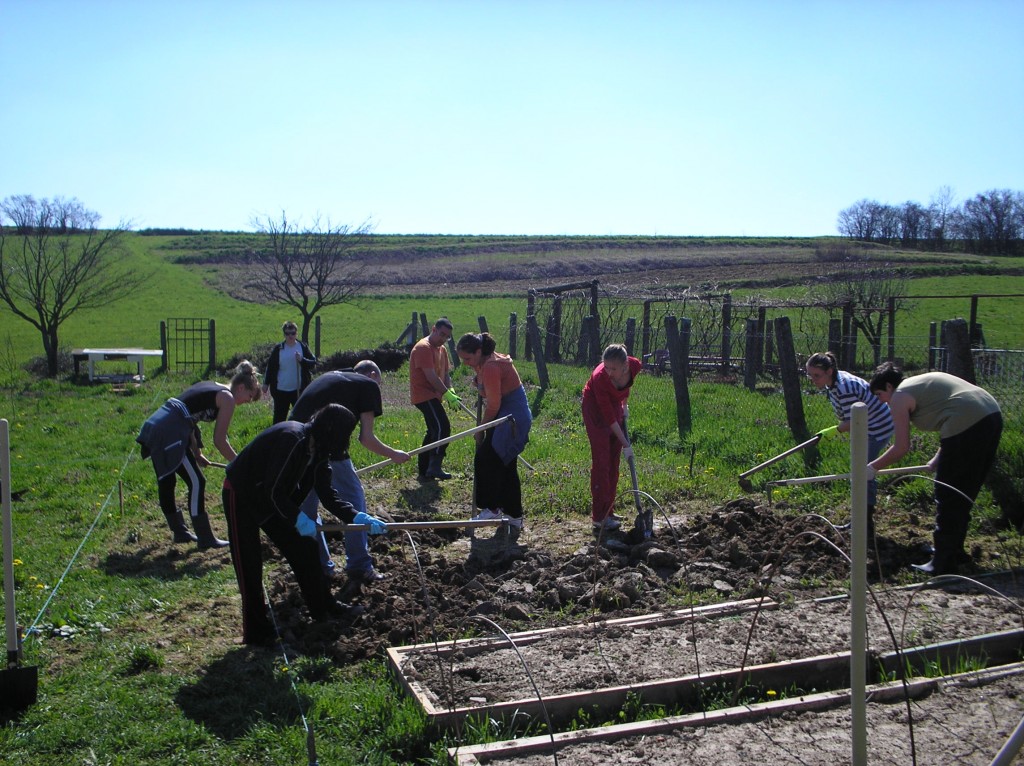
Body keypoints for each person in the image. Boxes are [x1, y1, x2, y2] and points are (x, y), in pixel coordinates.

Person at [222, 403, 388, 645]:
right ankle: (257, 632)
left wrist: (357, 517)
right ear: (332, 430)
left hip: (271, 498)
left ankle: (324, 608)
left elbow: (327, 493)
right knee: (249, 563)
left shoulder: (319, 450)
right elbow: (274, 490)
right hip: (242, 494)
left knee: (307, 548)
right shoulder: (293, 440)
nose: (347, 440)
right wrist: (298, 518)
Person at [868, 363, 1003, 575]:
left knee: (947, 493)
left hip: (969, 420)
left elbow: (902, 447)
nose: (881, 400)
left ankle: (942, 563)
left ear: (888, 386)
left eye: (879, 394)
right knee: (962, 490)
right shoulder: (920, 384)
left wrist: (872, 467)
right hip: (991, 415)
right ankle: (953, 551)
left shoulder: (899, 397)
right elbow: (952, 413)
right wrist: (938, 457)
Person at [291, 360, 410, 584]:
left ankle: (319, 567)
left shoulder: (335, 376)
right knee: (354, 501)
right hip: (325, 443)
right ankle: (358, 565)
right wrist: (393, 453)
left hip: (295, 443)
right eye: (380, 384)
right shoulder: (368, 384)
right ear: (372, 375)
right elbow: (366, 438)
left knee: (307, 508)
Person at [137, 361, 261, 549]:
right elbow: (220, 441)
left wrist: (197, 452)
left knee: (167, 481)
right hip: (171, 432)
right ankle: (205, 538)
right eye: (249, 396)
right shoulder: (227, 399)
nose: (246, 402)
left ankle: (180, 533)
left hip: (158, 425)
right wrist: (239, 464)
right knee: (196, 482)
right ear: (241, 387)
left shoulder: (215, 386)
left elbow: (189, 417)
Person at [805, 351, 894, 536]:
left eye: (816, 375)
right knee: (859, 472)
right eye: (810, 375)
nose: (813, 380)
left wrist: (833, 431)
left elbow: (855, 420)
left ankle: (864, 524)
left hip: (876, 428)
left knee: (863, 474)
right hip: (866, 428)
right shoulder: (835, 383)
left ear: (829, 371)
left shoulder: (844, 388)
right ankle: (859, 520)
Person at [455, 332, 532, 529]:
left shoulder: (491, 366)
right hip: (504, 416)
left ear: (479, 351)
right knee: (505, 466)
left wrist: (480, 428)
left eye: (468, 358)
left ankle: (492, 508)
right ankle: (514, 515)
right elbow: (487, 392)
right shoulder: (484, 363)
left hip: (512, 418)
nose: (465, 363)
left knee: (486, 459)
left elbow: (493, 405)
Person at [582, 344, 643, 532]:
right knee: (602, 463)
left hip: (614, 404)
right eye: (605, 366)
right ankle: (599, 517)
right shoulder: (601, 379)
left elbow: (627, 386)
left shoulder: (635, 366)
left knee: (614, 461)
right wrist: (627, 444)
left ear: (625, 366)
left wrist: (624, 405)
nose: (608, 372)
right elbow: (608, 417)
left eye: (613, 368)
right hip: (594, 409)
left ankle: (609, 510)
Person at [409, 317, 458, 481]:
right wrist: (446, 394)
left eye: (447, 337)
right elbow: (430, 377)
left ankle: (424, 470)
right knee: (442, 428)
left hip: (435, 395)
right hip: (424, 395)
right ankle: (435, 466)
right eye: (442, 334)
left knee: (433, 431)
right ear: (434, 329)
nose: (443, 339)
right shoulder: (423, 348)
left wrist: (450, 389)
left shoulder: (442, 350)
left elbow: (445, 374)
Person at [263, 321, 317, 423]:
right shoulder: (278, 349)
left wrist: (302, 360)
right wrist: (266, 383)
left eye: (292, 333)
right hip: (281, 391)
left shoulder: (302, 347)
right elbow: (270, 367)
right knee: (279, 419)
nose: (290, 336)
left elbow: (313, 363)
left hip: (298, 390)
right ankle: (278, 437)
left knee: (300, 418)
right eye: (287, 333)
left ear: (296, 333)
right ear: (284, 335)